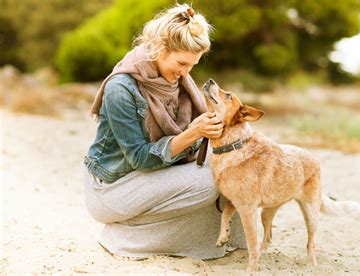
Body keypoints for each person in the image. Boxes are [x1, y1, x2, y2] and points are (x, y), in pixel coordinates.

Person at [83, 3, 246, 260]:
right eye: (181, 63)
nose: (185, 73)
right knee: (210, 182)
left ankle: (205, 238)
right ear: (160, 48)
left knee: (232, 170)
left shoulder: (177, 80)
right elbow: (140, 158)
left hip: (153, 177)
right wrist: (192, 133)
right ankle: (126, 236)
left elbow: (187, 147)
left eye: (192, 65)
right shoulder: (121, 88)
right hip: (112, 187)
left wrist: (207, 130)